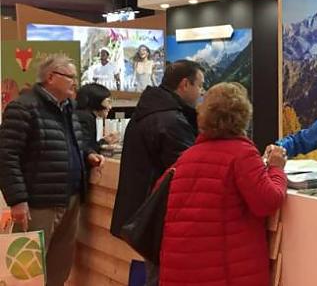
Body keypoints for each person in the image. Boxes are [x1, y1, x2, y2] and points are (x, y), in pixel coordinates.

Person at [159, 82, 287, 286]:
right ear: (243, 115)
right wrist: (276, 168)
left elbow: (162, 195)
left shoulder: (187, 156)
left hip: (180, 269)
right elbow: (268, 201)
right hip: (226, 273)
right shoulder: (242, 154)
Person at [0, 54, 103, 286]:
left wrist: (88, 154)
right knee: (26, 269)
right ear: (50, 78)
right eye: (70, 77)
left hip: (71, 198)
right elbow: (7, 156)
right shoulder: (23, 107)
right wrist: (17, 200)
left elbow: (73, 141)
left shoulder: (69, 108)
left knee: (60, 265)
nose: (75, 83)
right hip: (38, 203)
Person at [110, 60, 205, 286]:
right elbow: (189, 170)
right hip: (158, 215)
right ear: (184, 84)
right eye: (199, 85)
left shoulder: (152, 110)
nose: (201, 92)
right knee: (160, 277)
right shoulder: (170, 120)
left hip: (143, 213)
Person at [74, 83, 119, 155]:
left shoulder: (84, 115)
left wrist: (104, 141)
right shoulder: (86, 117)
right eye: (108, 102)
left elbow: (88, 145)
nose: (110, 107)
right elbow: (84, 149)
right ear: (96, 100)